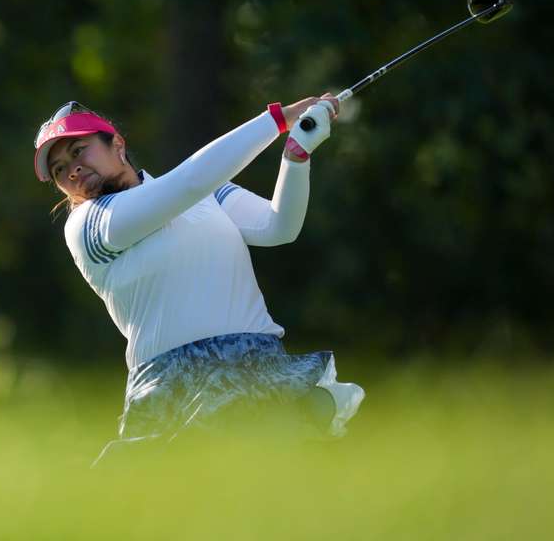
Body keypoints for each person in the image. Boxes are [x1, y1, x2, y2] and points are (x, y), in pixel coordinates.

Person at [32, 97, 365, 466]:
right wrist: (276, 120)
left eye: (80, 151)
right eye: (60, 169)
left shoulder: (204, 192)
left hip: (261, 368)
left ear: (118, 144)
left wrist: (296, 155)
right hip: (172, 386)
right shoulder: (86, 226)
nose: (73, 171)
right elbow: (188, 182)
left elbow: (278, 227)